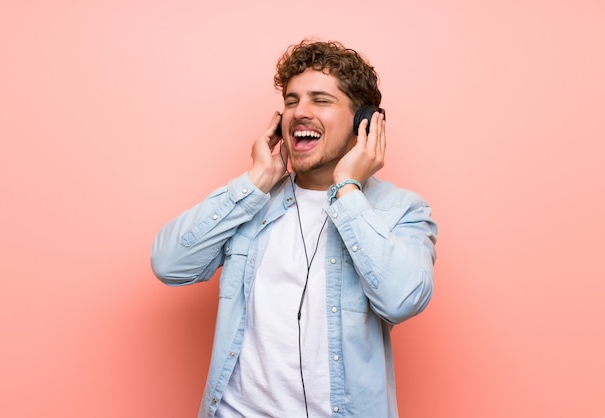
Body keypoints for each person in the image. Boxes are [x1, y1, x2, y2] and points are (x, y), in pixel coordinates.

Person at [151, 39, 438, 418]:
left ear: (363, 122)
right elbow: (169, 264)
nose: (300, 112)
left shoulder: (402, 212)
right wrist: (255, 181)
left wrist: (349, 190)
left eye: (320, 100)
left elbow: (402, 300)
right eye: (291, 101)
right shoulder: (252, 203)